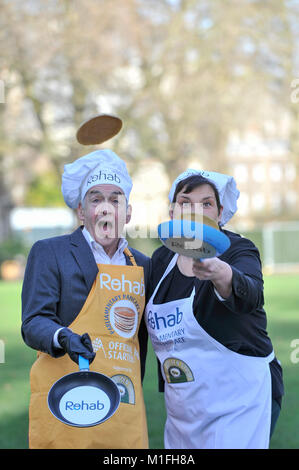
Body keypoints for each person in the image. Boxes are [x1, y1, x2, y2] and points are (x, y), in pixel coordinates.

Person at [145, 169, 284, 449]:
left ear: (220, 213)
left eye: (206, 204)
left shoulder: (238, 250)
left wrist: (222, 273)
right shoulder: (161, 260)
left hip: (240, 401)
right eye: (185, 203)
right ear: (172, 212)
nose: (195, 211)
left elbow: (251, 295)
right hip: (185, 409)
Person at [21, 149, 150, 449]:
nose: (106, 208)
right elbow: (33, 322)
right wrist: (62, 336)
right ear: (81, 211)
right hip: (66, 403)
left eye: (115, 199)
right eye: (96, 199)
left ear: (127, 213)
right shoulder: (50, 252)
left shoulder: (143, 264)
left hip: (124, 408)